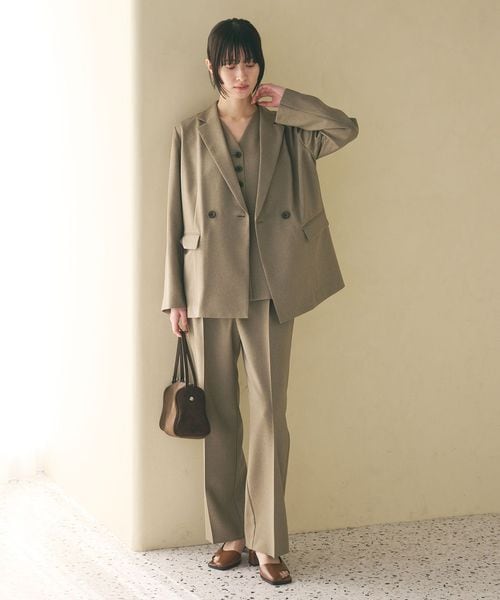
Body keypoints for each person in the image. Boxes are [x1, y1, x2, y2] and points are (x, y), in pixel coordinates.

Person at [161, 17, 359, 586]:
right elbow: (174, 216)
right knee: (220, 414)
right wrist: (174, 297)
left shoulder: (288, 127)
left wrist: (291, 100)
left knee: (270, 414)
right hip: (208, 287)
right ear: (212, 68)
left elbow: (345, 129)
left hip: (272, 286)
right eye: (230, 64)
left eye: (249, 62)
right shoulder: (189, 133)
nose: (241, 74)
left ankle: (268, 542)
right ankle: (230, 535)